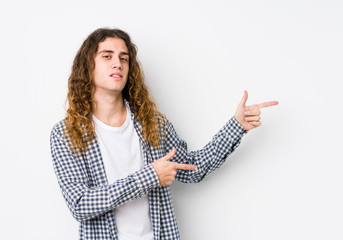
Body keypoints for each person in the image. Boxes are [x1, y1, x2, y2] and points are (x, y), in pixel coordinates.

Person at [50, 28, 278, 240]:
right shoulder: (66, 134)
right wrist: (150, 176)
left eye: (124, 58)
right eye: (107, 56)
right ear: (88, 66)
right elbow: (80, 204)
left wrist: (236, 125)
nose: (117, 64)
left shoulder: (153, 124)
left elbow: (192, 168)